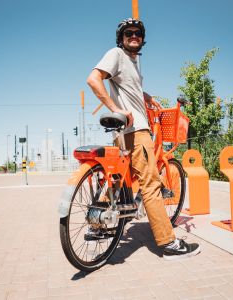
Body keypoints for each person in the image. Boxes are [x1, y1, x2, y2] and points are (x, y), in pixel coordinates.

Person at [87, 18, 200, 260]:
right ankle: (168, 243)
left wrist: (145, 95)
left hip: (124, 134)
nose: (134, 36)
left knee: (120, 182)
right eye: (129, 33)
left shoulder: (133, 62)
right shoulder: (117, 54)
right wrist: (116, 109)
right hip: (136, 130)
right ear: (122, 37)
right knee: (150, 184)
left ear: (142, 38)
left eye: (138, 33)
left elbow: (126, 87)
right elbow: (93, 79)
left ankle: (98, 226)